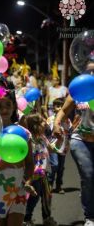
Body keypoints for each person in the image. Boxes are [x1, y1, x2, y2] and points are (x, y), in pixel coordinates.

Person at [0, 79, 34, 226]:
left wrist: (28, 181)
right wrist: (4, 162)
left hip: (19, 185)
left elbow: (29, 162)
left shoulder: (24, 133)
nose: (4, 109)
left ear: (14, 107)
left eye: (8, 105)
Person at [53, 64, 94, 226]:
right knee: (89, 175)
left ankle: (88, 196)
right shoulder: (79, 89)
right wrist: (56, 123)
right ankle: (90, 215)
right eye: (89, 70)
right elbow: (63, 110)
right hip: (80, 140)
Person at [21, 114, 58, 226]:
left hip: (44, 173)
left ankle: (47, 218)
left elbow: (52, 149)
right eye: (42, 122)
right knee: (34, 197)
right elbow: (28, 159)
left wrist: (60, 140)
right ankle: (26, 219)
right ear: (35, 126)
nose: (45, 123)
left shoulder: (42, 137)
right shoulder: (29, 140)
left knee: (47, 197)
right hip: (33, 174)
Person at [47, 98, 71, 194]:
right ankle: (49, 184)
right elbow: (46, 131)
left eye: (61, 106)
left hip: (63, 147)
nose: (60, 108)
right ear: (53, 108)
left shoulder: (67, 120)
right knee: (55, 165)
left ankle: (58, 186)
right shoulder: (51, 119)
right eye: (57, 106)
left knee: (61, 168)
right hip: (53, 146)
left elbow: (71, 130)